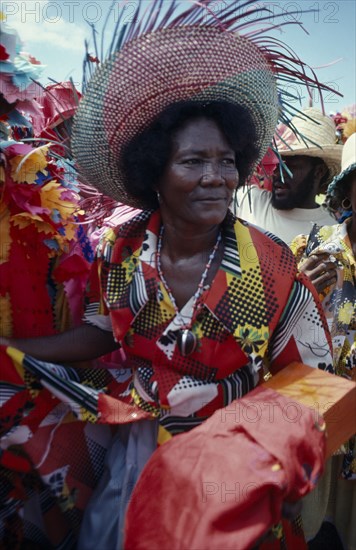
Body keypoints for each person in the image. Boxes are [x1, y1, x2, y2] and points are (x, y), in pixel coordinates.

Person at [0, 1, 337, 548]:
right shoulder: (122, 250)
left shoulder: (271, 265)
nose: (216, 178)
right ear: (153, 171)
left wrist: (248, 452)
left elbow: (315, 381)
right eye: (192, 162)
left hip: (233, 476)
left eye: (227, 161)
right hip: (136, 454)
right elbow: (100, 330)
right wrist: (16, 346)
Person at [290, 131, 356, 549]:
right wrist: (298, 293)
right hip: (317, 425)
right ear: (348, 192)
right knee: (309, 532)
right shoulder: (309, 249)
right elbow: (273, 340)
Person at [235, 107, 342, 245]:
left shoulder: (332, 236)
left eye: (290, 165)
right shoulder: (247, 201)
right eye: (277, 162)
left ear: (318, 172)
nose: (278, 172)